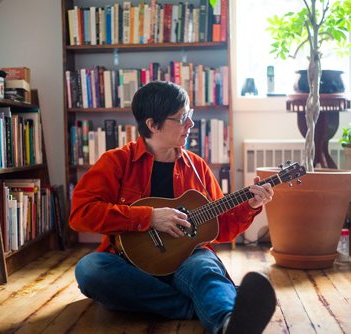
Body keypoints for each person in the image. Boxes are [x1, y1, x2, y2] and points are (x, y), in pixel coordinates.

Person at [69, 81, 276, 334]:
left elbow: (219, 229)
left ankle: (227, 324)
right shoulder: (116, 162)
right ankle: (196, 305)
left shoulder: (196, 167)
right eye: (182, 118)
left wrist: (251, 205)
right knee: (90, 270)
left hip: (187, 260)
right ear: (152, 125)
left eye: (190, 115)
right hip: (129, 264)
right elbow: (81, 214)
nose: (190, 124)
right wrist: (149, 217)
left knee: (205, 268)